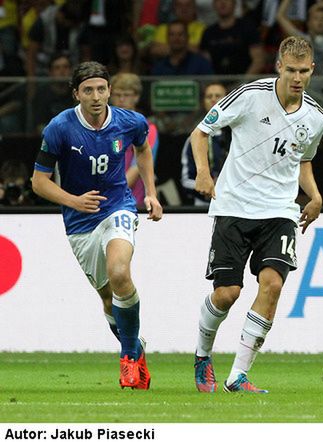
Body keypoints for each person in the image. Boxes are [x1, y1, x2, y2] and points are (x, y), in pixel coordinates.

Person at [190, 36, 323, 393]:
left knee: (273, 284)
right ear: (279, 66)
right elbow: (200, 133)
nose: (297, 78)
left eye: (304, 71)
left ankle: (238, 375)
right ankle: (203, 355)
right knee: (227, 293)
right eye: (291, 70)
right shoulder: (250, 95)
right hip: (234, 206)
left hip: (279, 210)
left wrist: (314, 195)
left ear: (312, 70)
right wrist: (204, 173)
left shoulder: (316, 117)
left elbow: (303, 160)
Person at [31, 61, 163, 390]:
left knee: (120, 272)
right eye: (88, 90)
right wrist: (73, 200)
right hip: (79, 222)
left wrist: (151, 194)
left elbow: (143, 150)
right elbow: (38, 182)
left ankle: (129, 359)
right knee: (108, 299)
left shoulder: (129, 121)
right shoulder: (59, 128)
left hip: (118, 206)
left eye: (101, 89)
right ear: (76, 93)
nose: (96, 96)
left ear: (109, 91)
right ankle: (135, 346)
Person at [110, 73, 160, 209]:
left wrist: (108, 194)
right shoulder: (104, 125)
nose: (121, 99)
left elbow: (137, 167)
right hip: (104, 199)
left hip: (133, 202)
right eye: (117, 94)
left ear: (136, 97)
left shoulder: (148, 128)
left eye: (126, 95)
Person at [181, 82, 231, 206]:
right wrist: (206, 183)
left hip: (236, 204)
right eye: (209, 96)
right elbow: (186, 180)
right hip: (203, 205)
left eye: (218, 96)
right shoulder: (195, 137)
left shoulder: (238, 134)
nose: (213, 99)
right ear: (203, 102)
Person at [276, 0, 323, 76]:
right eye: (316, 18)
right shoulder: (302, 40)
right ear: (308, 23)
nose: (320, 21)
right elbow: (280, 16)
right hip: (310, 88)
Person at [198, 0, 265, 75]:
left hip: (245, 82)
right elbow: (205, 64)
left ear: (235, 4)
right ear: (214, 5)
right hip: (216, 83)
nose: (222, 3)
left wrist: (243, 84)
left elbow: (258, 61)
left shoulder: (248, 28)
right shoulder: (208, 33)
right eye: (218, 1)